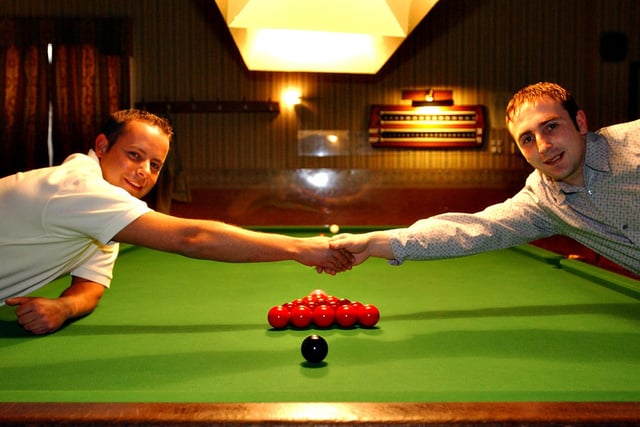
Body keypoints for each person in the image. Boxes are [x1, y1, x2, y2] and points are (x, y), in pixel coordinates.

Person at [0, 109, 353, 335]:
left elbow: (90, 285)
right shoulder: (79, 187)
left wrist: (63, 307)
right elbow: (193, 237)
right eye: (134, 156)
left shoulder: (104, 207)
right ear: (103, 145)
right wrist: (302, 248)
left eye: (155, 165)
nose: (143, 172)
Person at [331, 82, 639, 276]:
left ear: (579, 122)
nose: (543, 146)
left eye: (550, 127)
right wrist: (375, 243)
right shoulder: (543, 202)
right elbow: (471, 230)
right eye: (527, 139)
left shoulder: (633, 143)